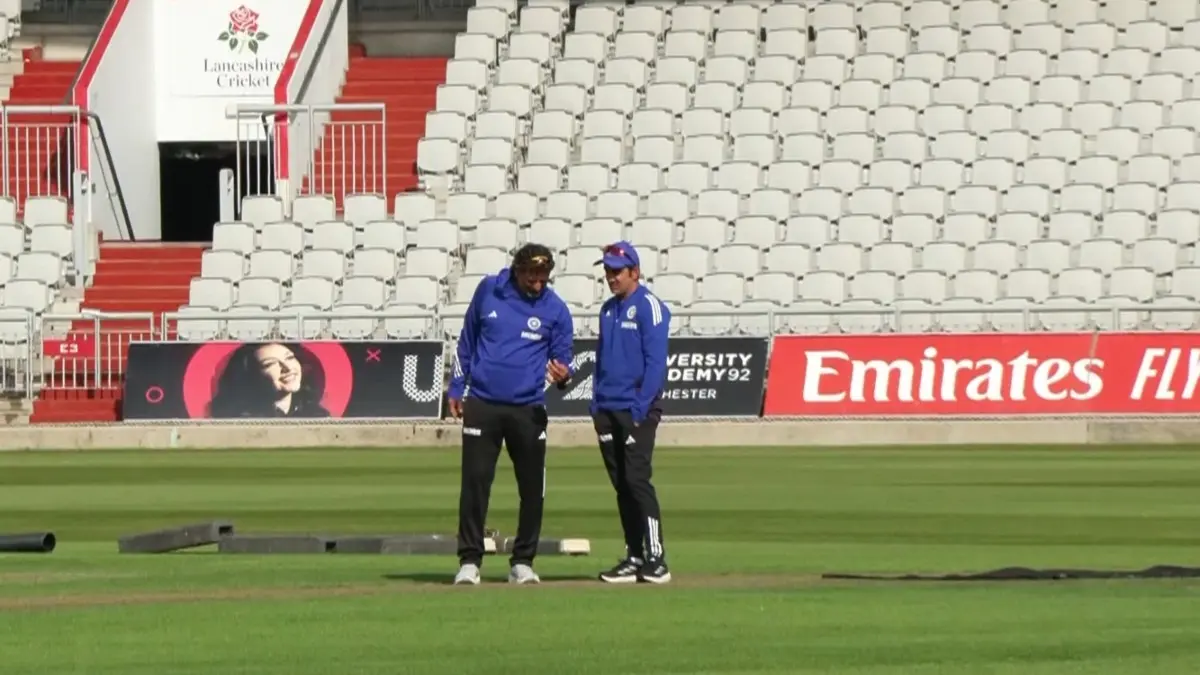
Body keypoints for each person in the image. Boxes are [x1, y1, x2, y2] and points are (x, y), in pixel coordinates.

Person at [446, 243, 575, 586]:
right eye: (532, 273)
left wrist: (564, 377)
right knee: (475, 484)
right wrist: (457, 387)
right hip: (483, 404)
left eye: (544, 274)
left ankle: (523, 562)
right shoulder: (490, 290)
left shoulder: (556, 310)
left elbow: (564, 361)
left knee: (533, 488)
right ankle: (470, 561)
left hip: (528, 408)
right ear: (517, 270)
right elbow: (467, 341)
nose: (538, 281)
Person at [589, 241, 673, 584]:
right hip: (607, 408)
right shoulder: (608, 310)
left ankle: (657, 558)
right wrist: (595, 403)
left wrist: (640, 407)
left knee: (638, 480)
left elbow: (655, 364)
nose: (610, 277)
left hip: (636, 408)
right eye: (607, 271)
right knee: (622, 484)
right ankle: (634, 555)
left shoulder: (651, 307)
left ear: (634, 272)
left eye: (616, 271)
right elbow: (601, 358)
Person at [207, 342, 331, 419]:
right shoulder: (239, 420)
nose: (287, 368)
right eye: (270, 364)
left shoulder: (318, 415)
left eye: (289, 358)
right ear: (251, 376)